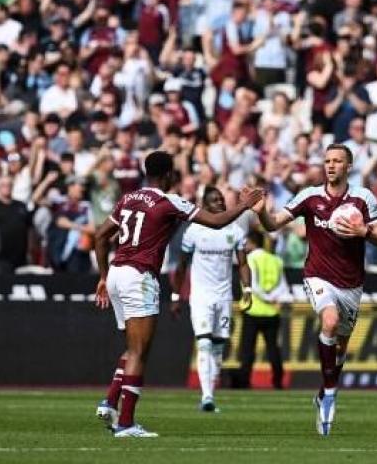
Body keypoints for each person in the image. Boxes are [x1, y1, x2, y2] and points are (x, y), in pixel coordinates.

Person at [93, 151, 262, 438]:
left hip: (117, 273)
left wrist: (102, 276)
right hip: (139, 276)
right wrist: (245, 205)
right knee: (140, 351)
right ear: (170, 174)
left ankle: (110, 402)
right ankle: (126, 423)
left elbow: (99, 236)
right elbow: (218, 221)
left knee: (132, 345)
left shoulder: (128, 198)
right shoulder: (169, 201)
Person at [253, 143, 377, 436]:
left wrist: (363, 231)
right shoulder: (310, 196)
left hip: (351, 283)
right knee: (329, 321)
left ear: (348, 166)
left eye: (337, 161)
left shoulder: (363, 198)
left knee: (340, 348)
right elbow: (273, 225)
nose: (330, 165)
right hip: (318, 275)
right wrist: (262, 213)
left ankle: (323, 391)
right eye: (327, 160)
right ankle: (329, 395)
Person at [172, 186, 251, 412]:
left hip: (224, 297)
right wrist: (177, 295)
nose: (220, 203)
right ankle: (206, 396)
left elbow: (243, 263)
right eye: (214, 201)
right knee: (204, 343)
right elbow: (181, 266)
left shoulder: (235, 231)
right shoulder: (194, 231)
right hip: (201, 297)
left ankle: (211, 394)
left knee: (218, 347)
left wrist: (247, 290)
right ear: (205, 206)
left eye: (221, 200)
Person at [239, 230, 290, 390]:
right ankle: (278, 381)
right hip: (272, 312)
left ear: (253, 242)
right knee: (273, 349)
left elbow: (252, 285)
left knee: (248, 349)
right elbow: (283, 286)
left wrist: (266, 298)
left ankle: (244, 381)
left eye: (247, 242)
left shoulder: (250, 258)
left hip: (252, 309)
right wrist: (274, 299)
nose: (245, 245)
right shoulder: (276, 260)